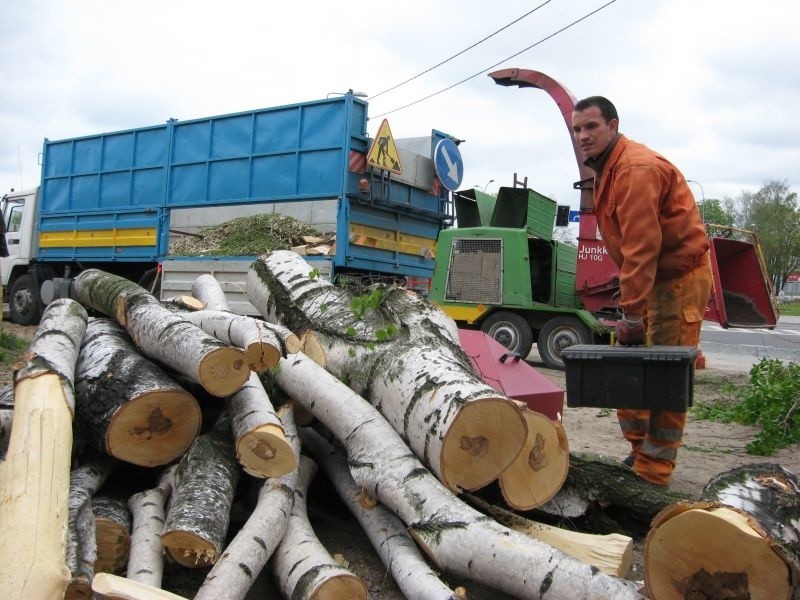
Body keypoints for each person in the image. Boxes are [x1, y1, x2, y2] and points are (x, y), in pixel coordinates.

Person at [571, 96, 712, 486]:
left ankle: (654, 472)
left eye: (591, 127)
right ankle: (638, 454)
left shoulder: (635, 169)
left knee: (665, 373)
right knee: (628, 369)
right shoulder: (607, 170)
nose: (583, 136)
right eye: (577, 129)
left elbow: (642, 247)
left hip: (678, 280)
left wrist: (631, 315)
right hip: (649, 278)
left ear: (613, 126)